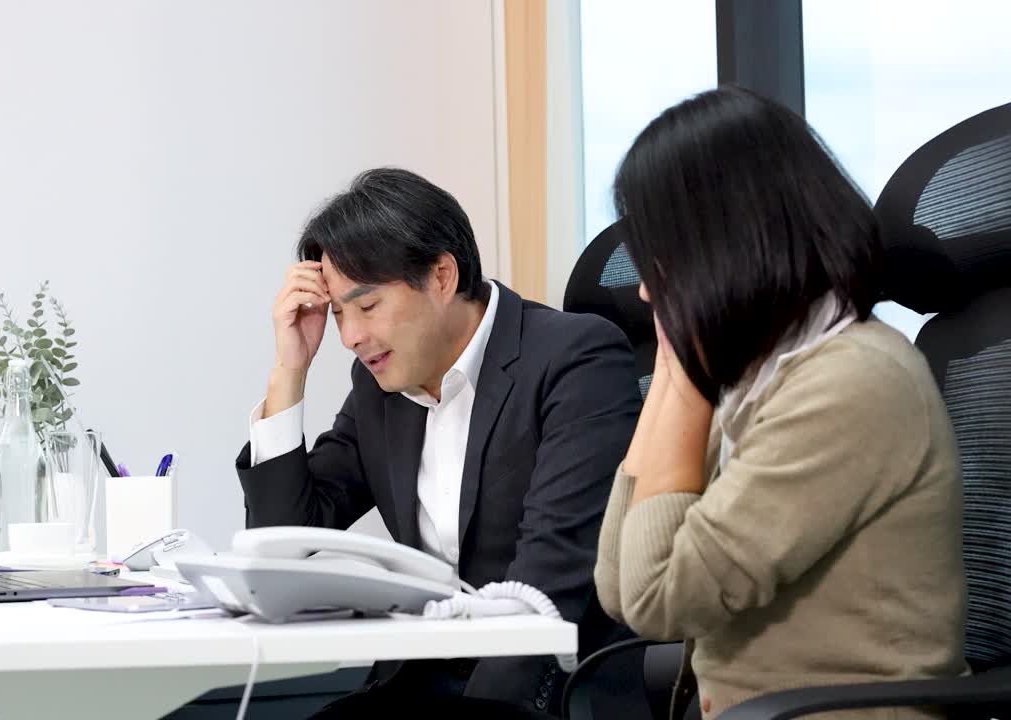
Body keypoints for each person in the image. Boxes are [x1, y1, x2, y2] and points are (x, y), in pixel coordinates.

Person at [593, 86, 968, 720]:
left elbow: (658, 598)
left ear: (725, 242)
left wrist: (682, 371)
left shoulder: (852, 383)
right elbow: (618, 586)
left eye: (663, 260)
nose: (648, 290)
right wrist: (673, 361)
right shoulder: (758, 378)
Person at [238, 167, 641, 715]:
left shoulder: (575, 359)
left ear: (442, 276)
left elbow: (552, 579)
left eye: (367, 305)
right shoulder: (382, 387)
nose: (351, 336)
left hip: (543, 690)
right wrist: (289, 372)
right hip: (416, 684)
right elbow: (287, 547)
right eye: (336, 314)